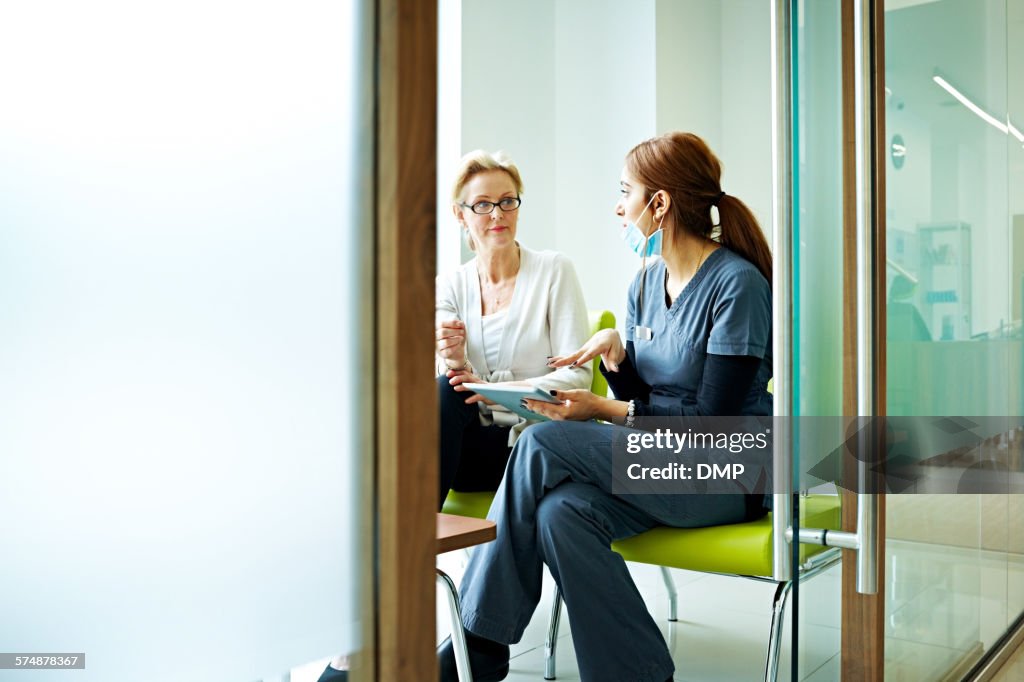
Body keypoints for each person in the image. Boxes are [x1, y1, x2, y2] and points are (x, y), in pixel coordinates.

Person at [436, 132, 774, 682]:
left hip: (725, 474)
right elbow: (644, 402)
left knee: (541, 442)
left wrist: (601, 407)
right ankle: (637, 672)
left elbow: (713, 427)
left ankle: (478, 643)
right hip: (656, 463)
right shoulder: (646, 282)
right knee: (560, 513)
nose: (620, 207)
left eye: (627, 192)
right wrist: (618, 361)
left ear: (659, 203)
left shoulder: (737, 285)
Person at [317, 149, 591, 682]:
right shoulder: (450, 286)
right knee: (441, 391)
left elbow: (577, 380)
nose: (498, 214)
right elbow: (442, 384)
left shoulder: (554, 271)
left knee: (453, 395)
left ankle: (401, 592)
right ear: (461, 216)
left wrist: (492, 390)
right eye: (483, 204)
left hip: (531, 450)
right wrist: (454, 360)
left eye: (507, 201)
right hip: (464, 451)